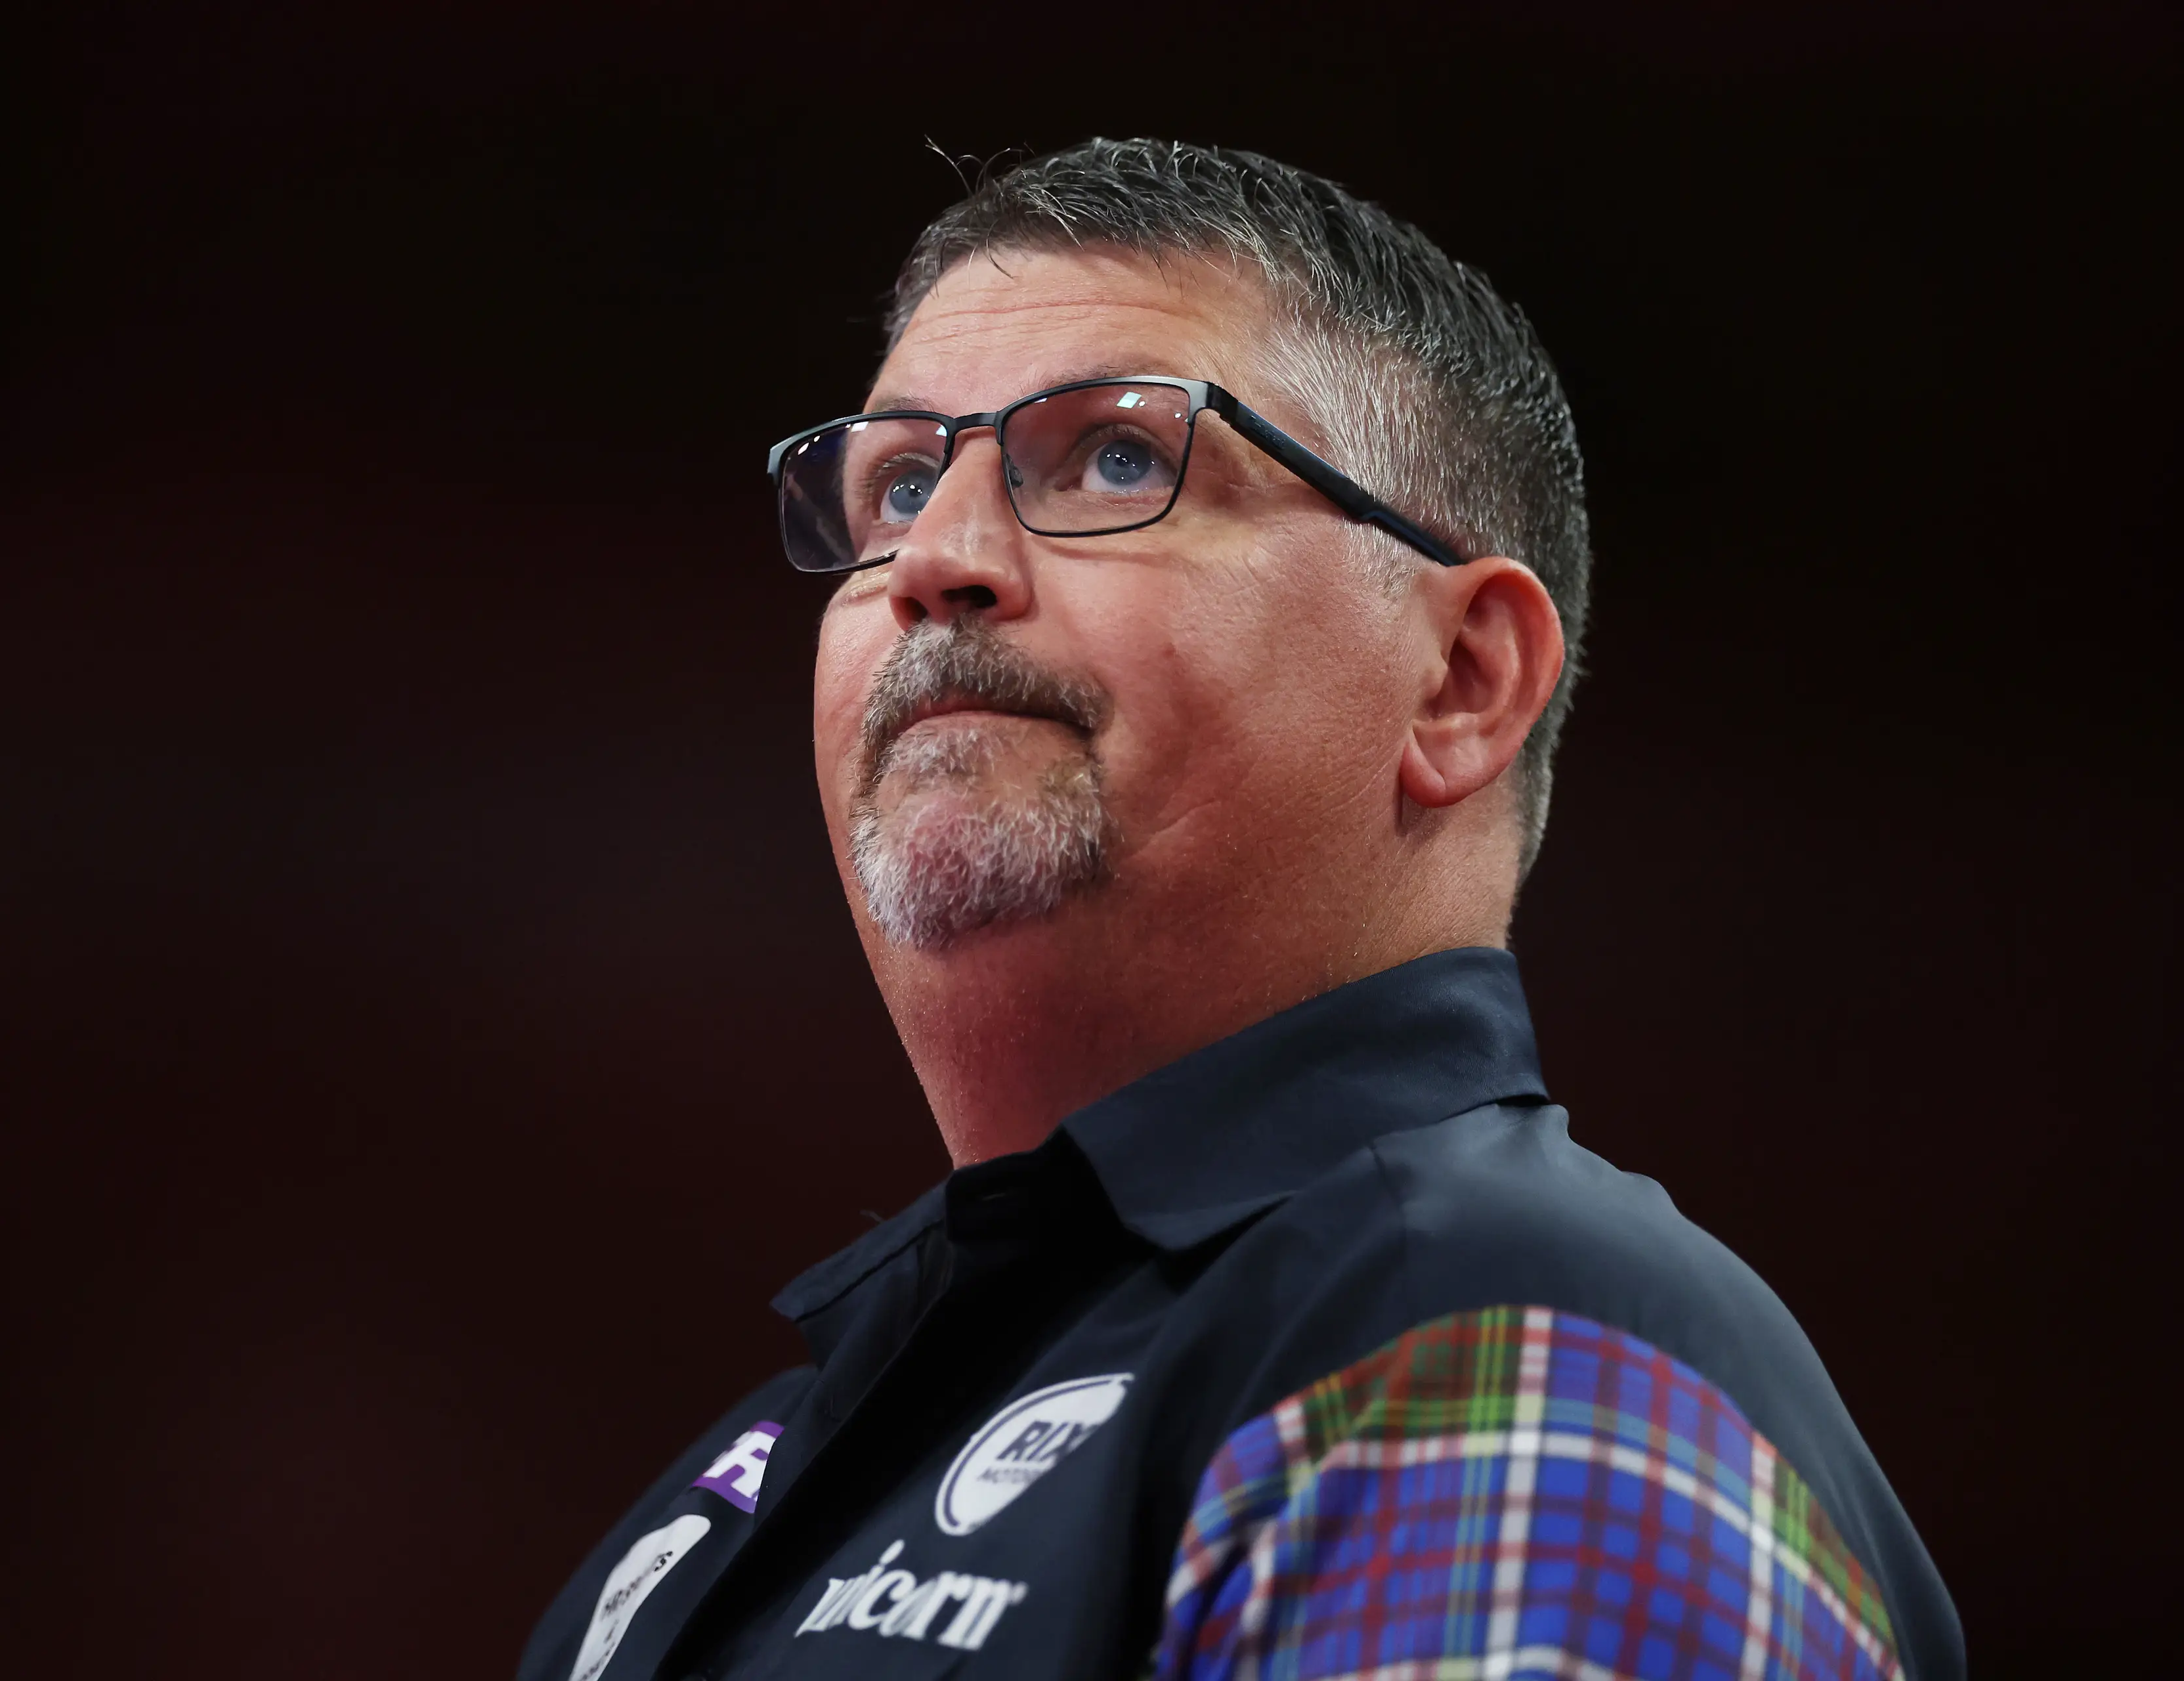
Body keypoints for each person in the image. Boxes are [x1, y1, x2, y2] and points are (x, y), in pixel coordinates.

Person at [515, 139, 1961, 1681]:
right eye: (900, 485)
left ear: (1462, 679)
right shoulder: (726, 1500)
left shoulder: (1497, 1333)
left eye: (1114, 458)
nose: (935, 561)